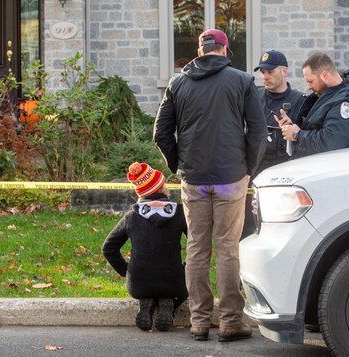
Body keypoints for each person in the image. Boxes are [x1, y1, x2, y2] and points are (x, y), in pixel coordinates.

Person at [153, 29, 267, 342]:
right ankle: (231, 322)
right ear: (225, 49)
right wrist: (248, 170)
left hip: (194, 179)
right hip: (231, 177)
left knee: (197, 249)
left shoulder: (178, 82)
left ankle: (199, 322)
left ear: (201, 50)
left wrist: (179, 167)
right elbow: (258, 133)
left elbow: (161, 134)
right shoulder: (242, 81)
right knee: (229, 250)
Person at [101, 162, 188, 332]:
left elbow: (108, 248)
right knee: (184, 286)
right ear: (163, 188)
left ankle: (146, 301)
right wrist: (188, 267)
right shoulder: (179, 213)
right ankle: (167, 303)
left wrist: (126, 271)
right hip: (174, 281)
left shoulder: (132, 216)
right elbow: (196, 244)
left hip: (138, 282)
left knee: (148, 284)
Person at [240, 50, 306, 239]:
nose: (265, 77)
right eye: (262, 72)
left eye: (270, 72)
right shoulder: (254, 98)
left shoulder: (300, 100)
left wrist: (293, 129)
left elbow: (306, 136)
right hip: (254, 169)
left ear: (284, 71)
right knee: (248, 226)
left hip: (284, 172)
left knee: (279, 227)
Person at [277, 52, 349, 157]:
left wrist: (297, 134)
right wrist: (293, 127)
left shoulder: (347, 102)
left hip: (333, 169)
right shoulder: (327, 96)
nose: (308, 87)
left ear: (325, 75)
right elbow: (315, 127)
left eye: (310, 81)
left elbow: (330, 143)